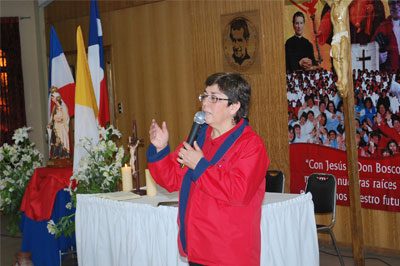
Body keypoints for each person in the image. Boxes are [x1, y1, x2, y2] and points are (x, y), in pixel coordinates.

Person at [147, 72, 269, 266]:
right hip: (197, 245)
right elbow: (171, 179)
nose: (205, 103)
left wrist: (200, 166)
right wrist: (161, 149)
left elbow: (239, 192)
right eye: (205, 96)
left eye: (214, 98)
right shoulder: (199, 137)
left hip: (228, 251)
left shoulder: (250, 145)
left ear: (234, 107)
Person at [327, 0, 352, 97]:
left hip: (343, 34)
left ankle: (344, 78)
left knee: (342, 56)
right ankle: (340, 77)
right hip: (335, 35)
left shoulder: (344, 3)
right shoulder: (332, 5)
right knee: (335, 57)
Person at [373, 0, 400, 72]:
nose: (396, 6)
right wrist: (380, 55)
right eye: (392, 3)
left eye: (398, 2)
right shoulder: (382, 28)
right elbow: (371, 55)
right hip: (392, 74)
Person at [47, 87, 70, 159]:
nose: (52, 99)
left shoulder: (63, 107)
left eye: (53, 97)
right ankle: (56, 155)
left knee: (61, 140)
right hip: (55, 127)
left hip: (61, 127)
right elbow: (52, 117)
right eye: (51, 97)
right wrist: (50, 123)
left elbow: (66, 118)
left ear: (57, 97)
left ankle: (63, 155)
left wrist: (60, 119)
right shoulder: (54, 107)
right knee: (55, 141)